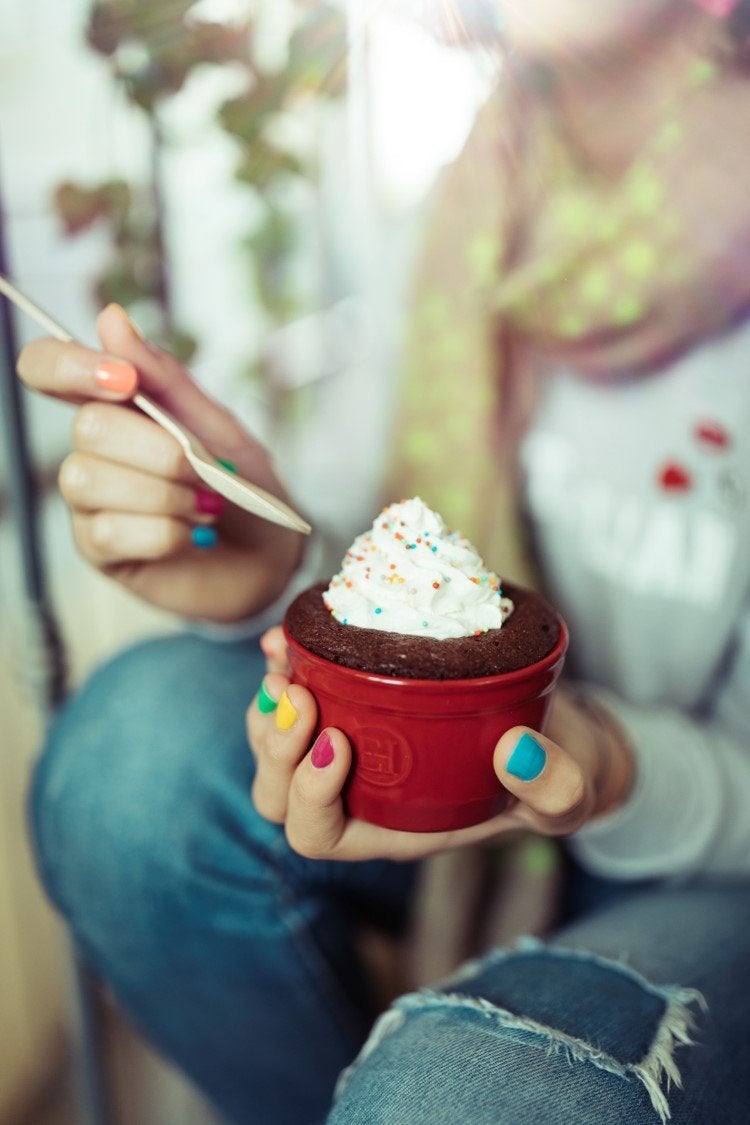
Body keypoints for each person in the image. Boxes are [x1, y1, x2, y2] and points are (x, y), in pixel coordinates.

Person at [17, 1, 750, 1121]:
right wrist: (255, 557)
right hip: (471, 800)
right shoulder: (470, 194)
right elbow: (376, 555)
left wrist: (609, 763)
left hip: (711, 858)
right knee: (127, 758)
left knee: (463, 1091)